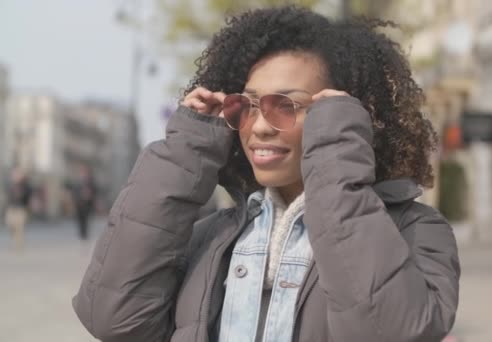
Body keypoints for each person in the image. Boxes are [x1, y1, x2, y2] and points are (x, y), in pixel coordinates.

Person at [73, 6, 460, 342]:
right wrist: (186, 150)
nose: (258, 127)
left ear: (344, 115)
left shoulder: (414, 231)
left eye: (285, 105)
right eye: (247, 105)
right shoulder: (213, 235)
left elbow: (388, 333)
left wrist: (337, 156)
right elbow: (113, 319)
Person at [4, 168, 32, 250]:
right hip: (11, 208)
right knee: (10, 225)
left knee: (20, 228)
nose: (16, 176)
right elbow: (7, 196)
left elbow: (28, 197)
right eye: (15, 174)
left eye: (18, 175)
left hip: (21, 209)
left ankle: (18, 245)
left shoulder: (26, 185)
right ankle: (15, 239)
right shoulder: (9, 184)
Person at [70, 165, 97, 240]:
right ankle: (82, 233)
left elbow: (95, 191)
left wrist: (90, 195)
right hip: (79, 203)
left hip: (87, 204)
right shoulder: (78, 181)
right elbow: (74, 191)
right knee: (80, 218)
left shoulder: (91, 181)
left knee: (86, 218)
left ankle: (85, 233)